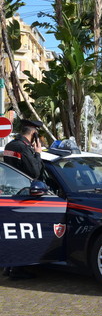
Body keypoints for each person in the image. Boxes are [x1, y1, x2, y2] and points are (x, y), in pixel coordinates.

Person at [2, 119, 44, 279]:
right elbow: (35, 172)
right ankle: (18, 270)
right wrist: (38, 153)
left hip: (9, 192)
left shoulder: (10, 145)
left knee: (12, 233)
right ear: (33, 133)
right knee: (24, 234)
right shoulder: (23, 147)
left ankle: (9, 266)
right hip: (24, 194)